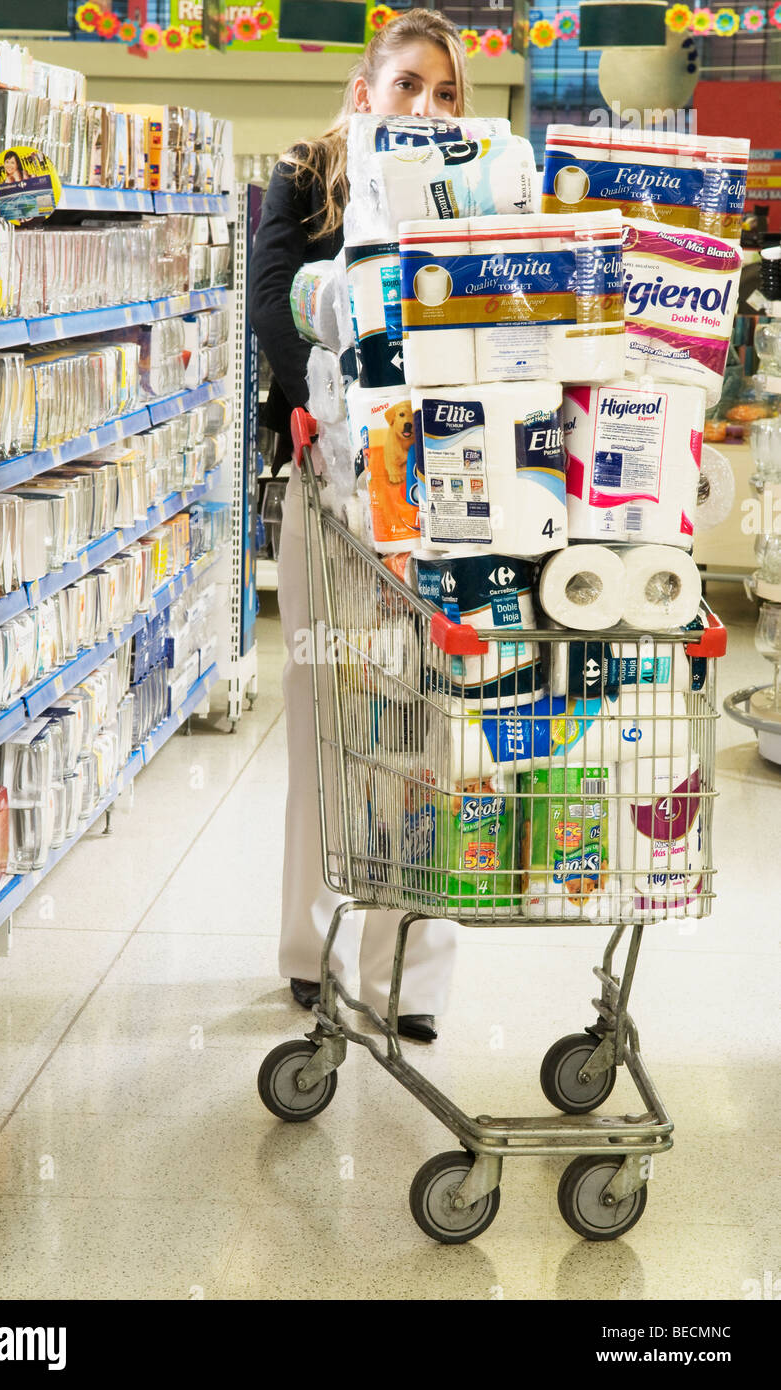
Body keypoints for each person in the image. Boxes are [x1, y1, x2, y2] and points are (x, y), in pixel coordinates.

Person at [250, 9, 468, 1043]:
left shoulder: (473, 187)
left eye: (444, 93)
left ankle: (409, 974)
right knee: (324, 722)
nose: (424, 107)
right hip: (330, 494)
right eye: (408, 87)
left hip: (445, 510)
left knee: (428, 737)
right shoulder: (304, 176)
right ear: (364, 93)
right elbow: (267, 303)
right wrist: (328, 409)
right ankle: (312, 951)